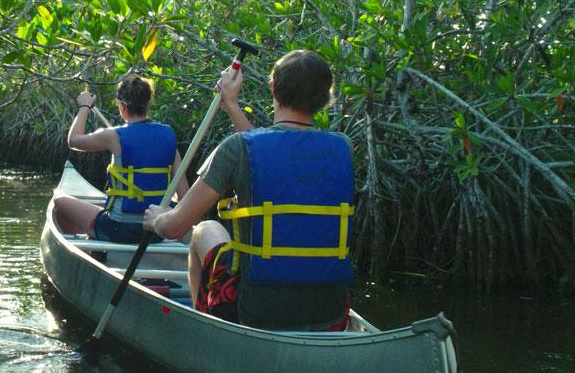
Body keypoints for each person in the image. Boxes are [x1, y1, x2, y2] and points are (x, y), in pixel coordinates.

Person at [144, 50, 354, 331]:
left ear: (273, 89)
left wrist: (157, 218)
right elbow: (272, 151)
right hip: (329, 315)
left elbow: (174, 228)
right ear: (326, 98)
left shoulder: (236, 148)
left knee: (204, 229)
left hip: (253, 310)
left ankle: (204, 326)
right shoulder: (344, 147)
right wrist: (231, 105)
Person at [53, 75, 188, 244]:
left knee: (59, 202)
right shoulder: (168, 137)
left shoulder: (114, 136)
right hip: (158, 232)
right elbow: (184, 195)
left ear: (122, 107)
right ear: (147, 104)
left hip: (119, 229)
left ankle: (91, 251)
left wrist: (85, 107)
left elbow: (74, 140)